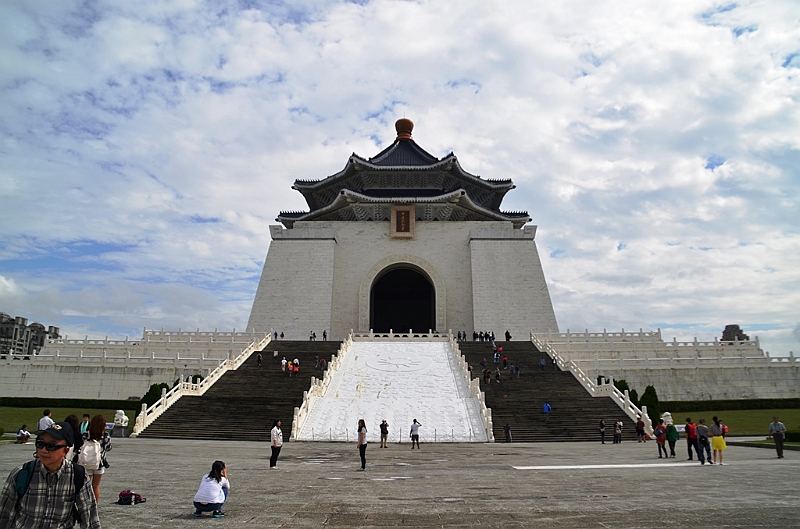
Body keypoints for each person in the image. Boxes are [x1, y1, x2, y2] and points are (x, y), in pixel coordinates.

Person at [0, 421, 100, 528]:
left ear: (66, 451)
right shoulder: (21, 474)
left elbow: (90, 519)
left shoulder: (78, 476)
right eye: (40, 443)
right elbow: (4, 517)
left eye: (51, 446)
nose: (43, 450)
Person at [79, 415, 111, 501]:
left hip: (86, 462)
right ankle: (95, 506)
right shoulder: (105, 435)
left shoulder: (86, 434)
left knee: (85, 486)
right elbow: (108, 448)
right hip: (99, 463)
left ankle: (85, 504)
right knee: (96, 486)